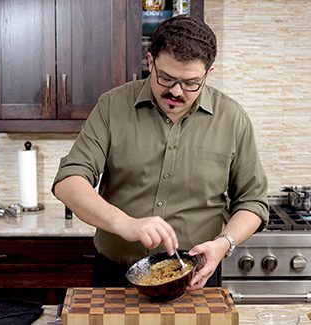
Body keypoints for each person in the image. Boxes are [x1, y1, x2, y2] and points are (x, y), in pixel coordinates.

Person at [52, 15, 269, 290]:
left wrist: (224, 244)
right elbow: (68, 182)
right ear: (150, 61)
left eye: (191, 83)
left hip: (195, 279)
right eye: (165, 78)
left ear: (208, 73)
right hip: (116, 277)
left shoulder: (233, 118)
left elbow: (253, 202)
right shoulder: (112, 106)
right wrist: (125, 224)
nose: (176, 92)